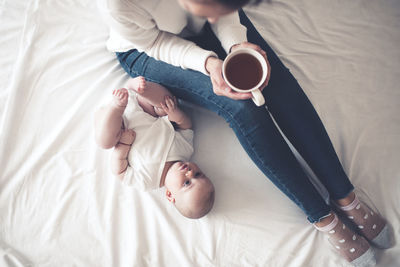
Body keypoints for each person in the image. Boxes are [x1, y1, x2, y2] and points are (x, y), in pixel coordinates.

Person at [98, 0, 392, 265]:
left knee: (264, 73)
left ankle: (345, 197)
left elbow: (223, 7)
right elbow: (156, 42)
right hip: (149, 47)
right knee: (241, 108)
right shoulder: (118, 5)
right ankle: (324, 219)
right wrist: (209, 63)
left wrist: (237, 45)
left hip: (208, 17)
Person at [94, 76, 215, 219]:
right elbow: (187, 126)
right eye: (198, 174)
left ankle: (116, 106)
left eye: (187, 182)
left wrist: (124, 146)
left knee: (105, 142)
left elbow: (120, 172)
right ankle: (138, 88)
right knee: (168, 104)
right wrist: (176, 115)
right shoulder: (185, 150)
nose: (189, 172)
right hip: (144, 108)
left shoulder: (147, 181)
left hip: (119, 125)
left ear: (170, 194)